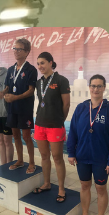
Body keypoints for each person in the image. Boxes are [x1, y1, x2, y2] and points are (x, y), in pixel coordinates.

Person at [67, 74, 109, 215]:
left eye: (99, 86)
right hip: (83, 156)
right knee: (84, 186)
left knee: (100, 188)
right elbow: (72, 132)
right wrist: (71, 152)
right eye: (93, 86)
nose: (96, 89)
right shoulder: (81, 108)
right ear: (89, 87)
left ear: (104, 88)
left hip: (100, 158)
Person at [29, 52, 71, 203]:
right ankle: (46, 183)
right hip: (40, 124)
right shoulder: (39, 82)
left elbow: (66, 104)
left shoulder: (61, 80)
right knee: (44, 157)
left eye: (43, 63)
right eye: (38, 63)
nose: (40, 66)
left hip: (55, 126)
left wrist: (61, 120)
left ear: (51, 63)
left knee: (58, 158)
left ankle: (61, 188)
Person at [3, 37, 38, 174]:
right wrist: (3, 93)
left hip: (24, 108)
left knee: (26, 136)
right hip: (12, 108)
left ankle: (32, 163)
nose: (16, 51)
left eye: (19, 49)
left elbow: (31, 91)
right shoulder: (10, 69)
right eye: (15, 48)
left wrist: (15, 97)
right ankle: (20, 160)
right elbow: (7, 87)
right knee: (15, 136)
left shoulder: (31, 69)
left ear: (27, 52)